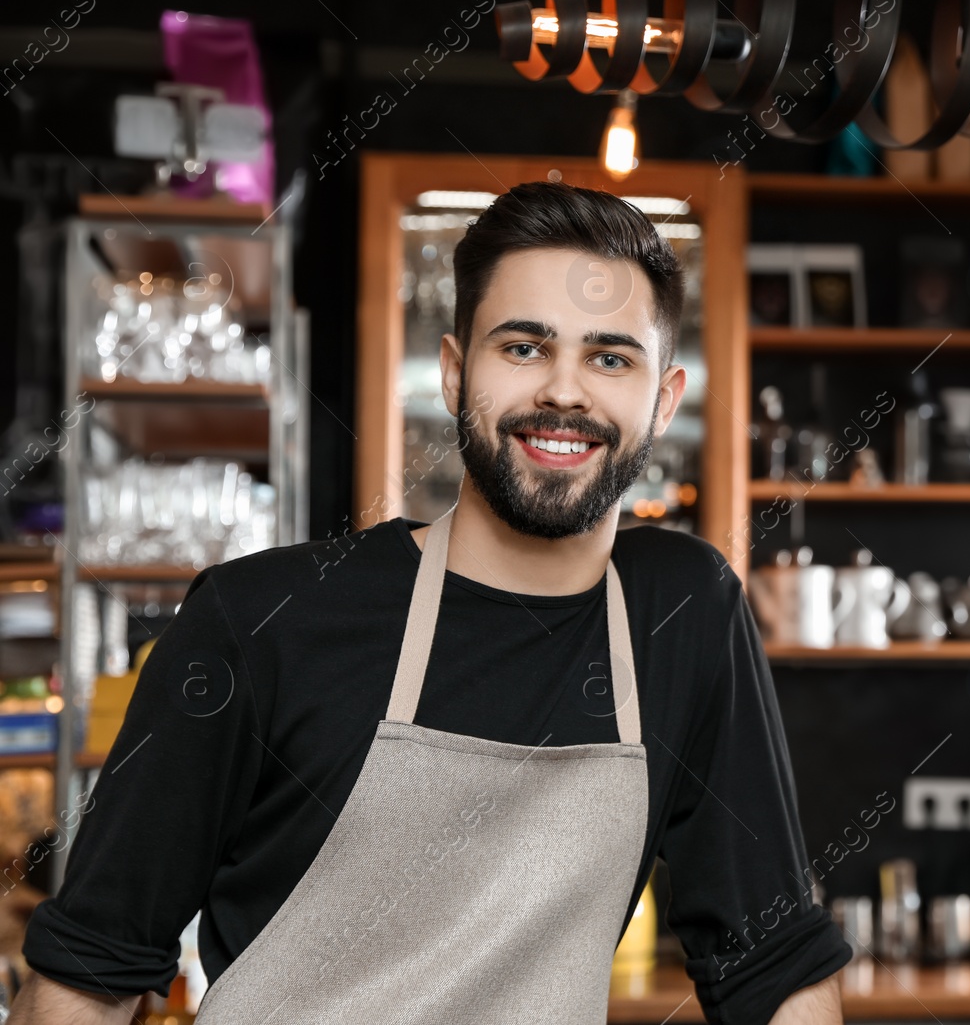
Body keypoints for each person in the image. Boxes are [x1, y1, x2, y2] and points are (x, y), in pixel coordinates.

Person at [14, 182, 850, 1024]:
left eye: (610, 357)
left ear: (662, 401)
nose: (565, 391)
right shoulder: (262, 618)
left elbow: (774, 968)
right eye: (523, 347)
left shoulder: (682, 613)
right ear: (455, 373)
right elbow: (90, 972)